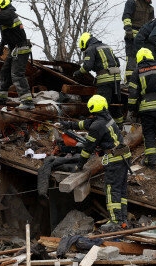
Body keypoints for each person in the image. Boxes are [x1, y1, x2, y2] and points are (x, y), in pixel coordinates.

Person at [56, 95, 132, 232]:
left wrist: (79, 165)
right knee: (121, 189)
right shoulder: (106, 118)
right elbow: (85, 124)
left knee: (111, 189)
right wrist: (67, 125)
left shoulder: (97, 126)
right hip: (124, 157)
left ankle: (115, 222)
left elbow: (87, 149)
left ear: (92, 108)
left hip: (115, 160)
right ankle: (122, 220)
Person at [73, 32, 124, 125]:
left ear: (84, 43)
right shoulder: (107, 47)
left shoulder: (90, 49)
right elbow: (118, 62)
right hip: (116, 80)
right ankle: (120, 127)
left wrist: (77, 73)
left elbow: (87, 66)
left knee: (102, 106)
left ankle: (104, 127)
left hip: (105, 81)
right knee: (115, 105)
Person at [122, 0, 156, 81]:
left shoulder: (150, 9)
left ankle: (141, 80)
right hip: (131, 35)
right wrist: (128, 29)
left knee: (144, 59)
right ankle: (128, 81)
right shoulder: (133, 2)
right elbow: (126, 16)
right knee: (131, 58)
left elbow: (151, 24)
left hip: (144, 38)